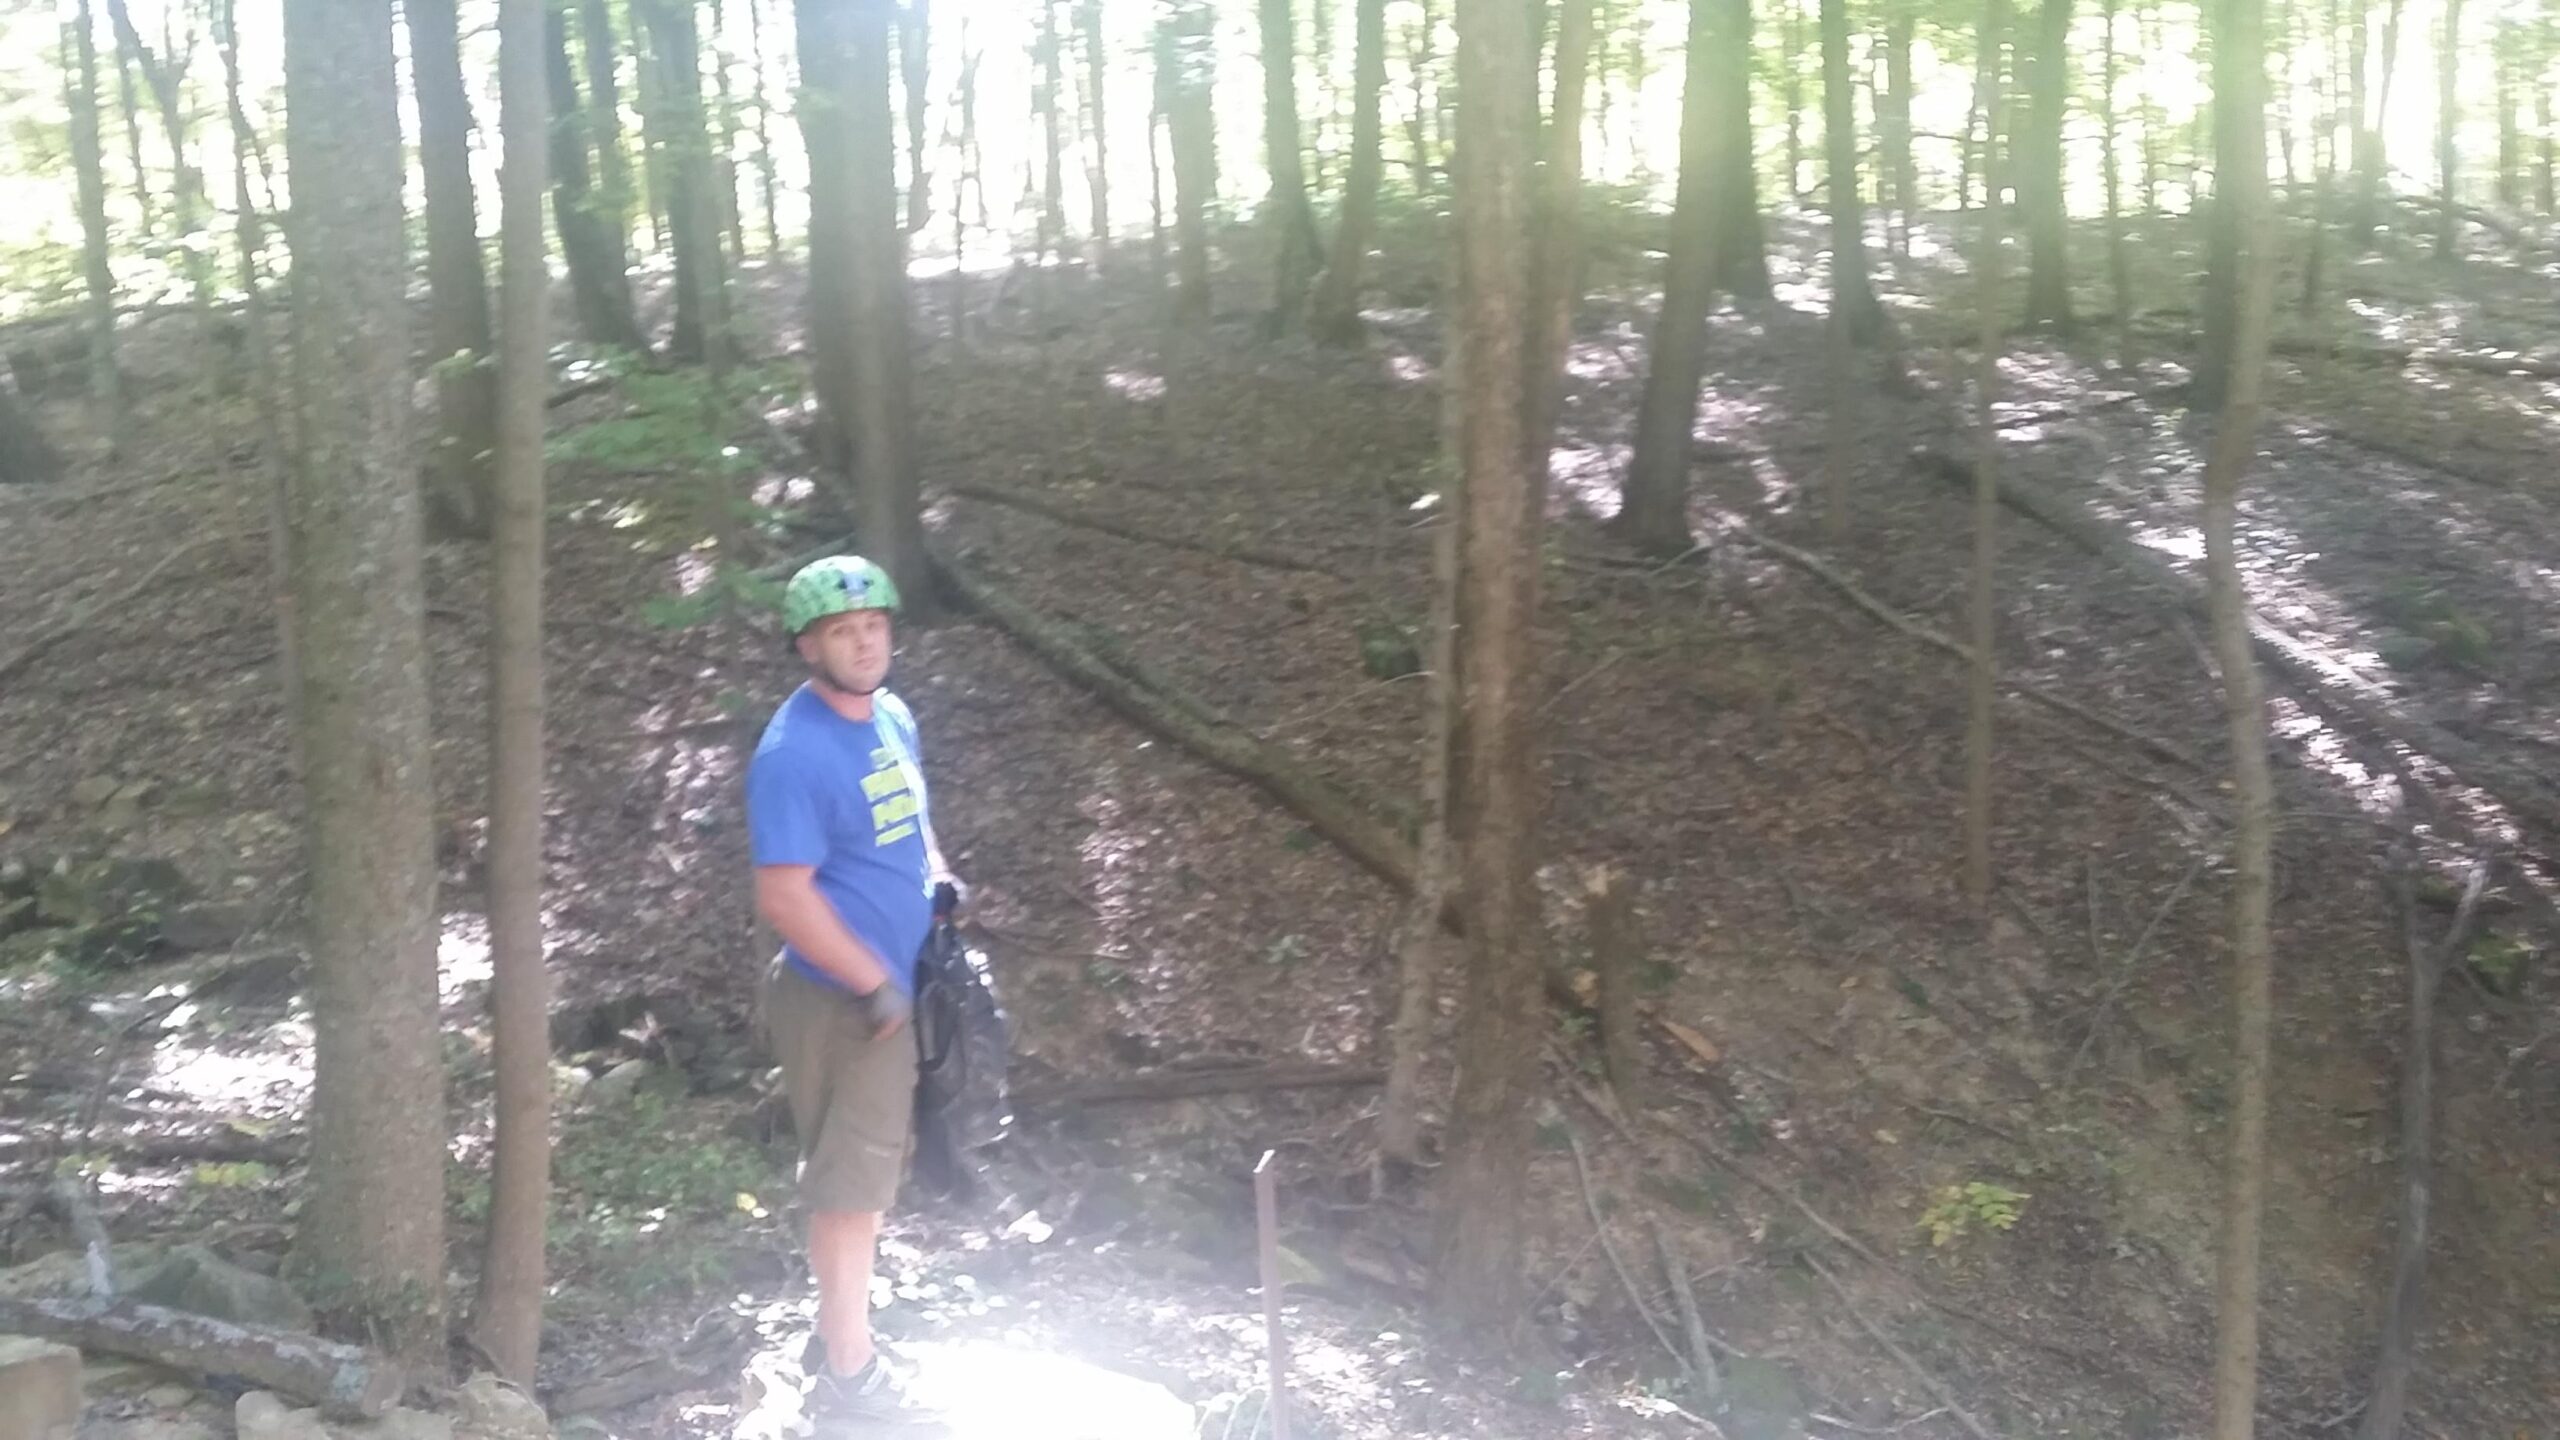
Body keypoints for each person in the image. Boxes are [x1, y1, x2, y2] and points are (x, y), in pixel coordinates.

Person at [748, 554, 955, 1427]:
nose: (865, 643)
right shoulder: (792, 755)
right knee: (851, 1188)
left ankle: (840, 1332)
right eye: (843, 631)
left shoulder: (891, 715)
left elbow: (908, 816)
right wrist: (875, 983)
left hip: (896, 985)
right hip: (845, 1006)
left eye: (875, 626)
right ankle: (848, 1378)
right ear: (809, 645)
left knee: (865, 1176)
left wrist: (940, 874)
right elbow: (783, 895)